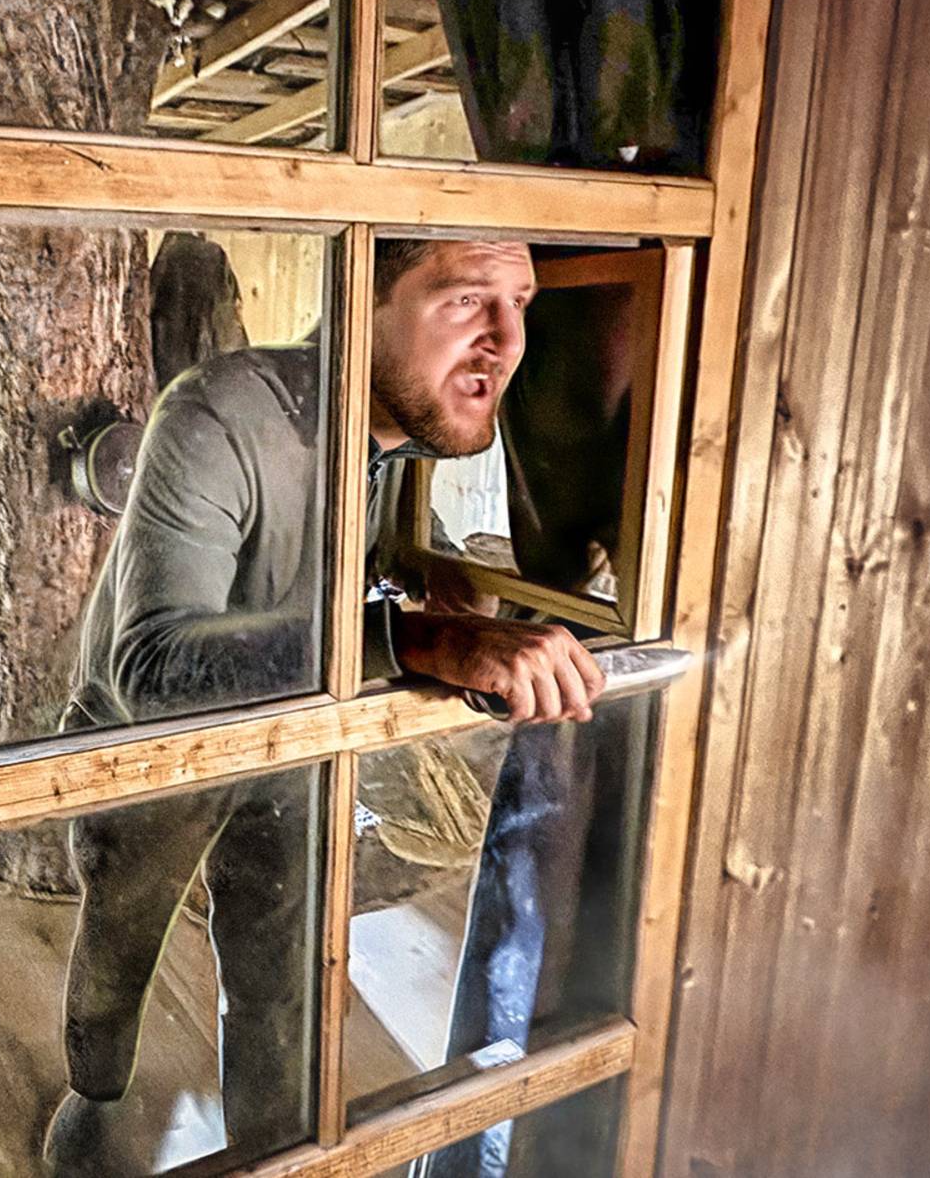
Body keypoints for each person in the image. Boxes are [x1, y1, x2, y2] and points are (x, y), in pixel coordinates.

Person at [44, 238, 606, 1171]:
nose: (509, 341)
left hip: (297, 736)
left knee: (283, 976)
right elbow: (151, 668)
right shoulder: (218, 413)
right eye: (467, 299)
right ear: (363, 299)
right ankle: (95, 1094)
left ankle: (279, 1154)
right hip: (150, 750)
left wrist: (424, 565)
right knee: (120, 943)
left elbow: (358, 536)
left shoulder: (398, 436)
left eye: (521, 301)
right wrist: (414, 639)